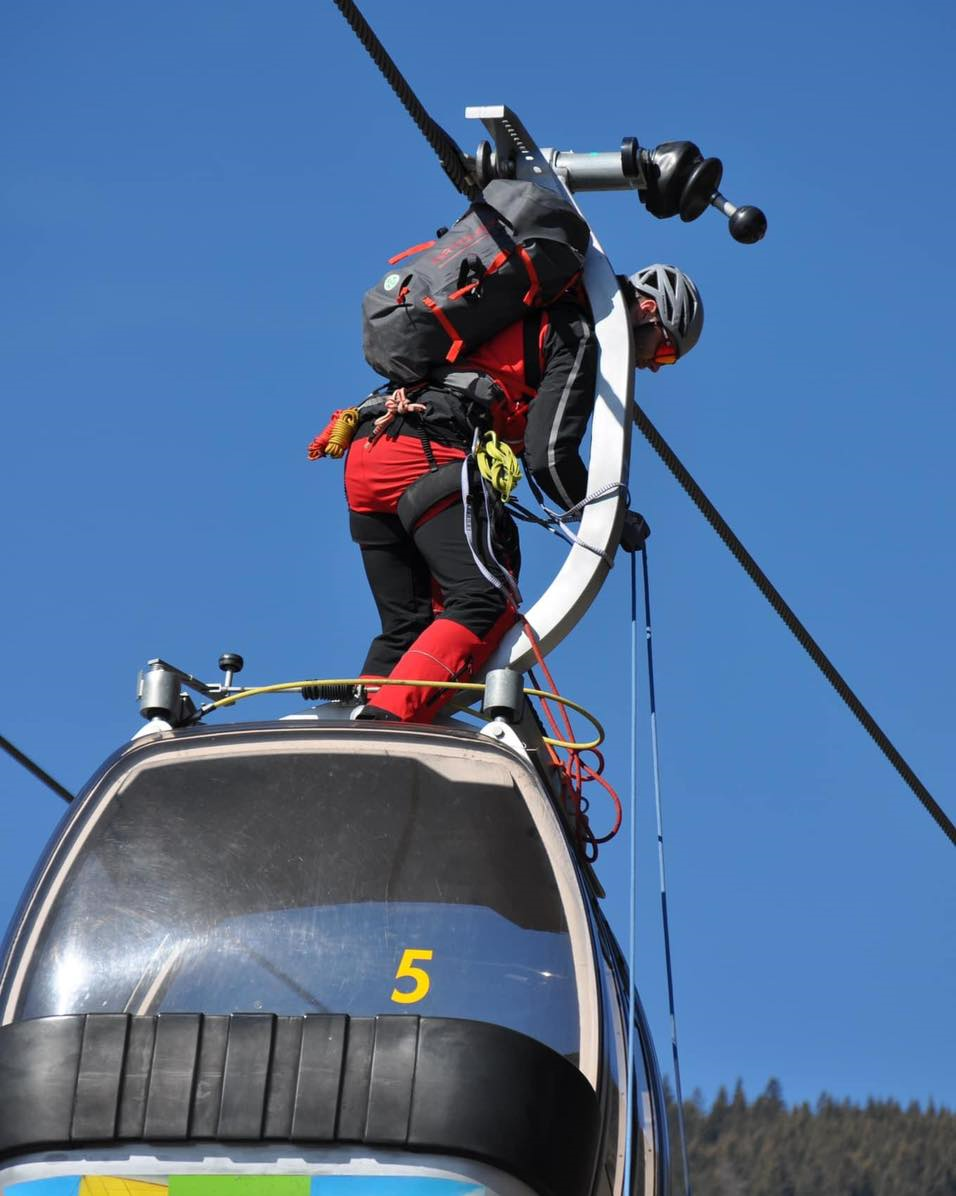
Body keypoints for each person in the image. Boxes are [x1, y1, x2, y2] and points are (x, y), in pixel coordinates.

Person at [309, 263, 703, 723]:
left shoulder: (518, 314)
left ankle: (357, 721)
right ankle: (384, 727)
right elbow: (549, 457)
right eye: (665, 352)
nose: (653, 366)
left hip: (369, 451)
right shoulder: (574, 333)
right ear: (648, 311)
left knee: (408, 629)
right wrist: (611, 518)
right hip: (425, 456)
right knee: (482, 601)